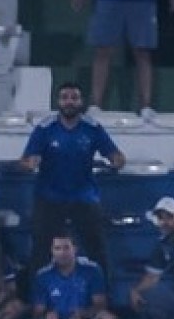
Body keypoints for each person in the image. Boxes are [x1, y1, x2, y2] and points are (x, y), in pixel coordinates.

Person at [20, 83, 125, 273]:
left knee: (97, 251)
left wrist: (117, 160)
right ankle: (36, 299)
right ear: (58, 102)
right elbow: (27, 159)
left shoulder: (92, 128)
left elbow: (116, 156)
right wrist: (30, 163)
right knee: (40, 251)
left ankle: (102, 297)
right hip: (49, 197)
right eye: (65, 97)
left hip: (84, 196)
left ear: (81, 102)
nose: (69, 101)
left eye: (74, 97)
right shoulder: (45, 128)